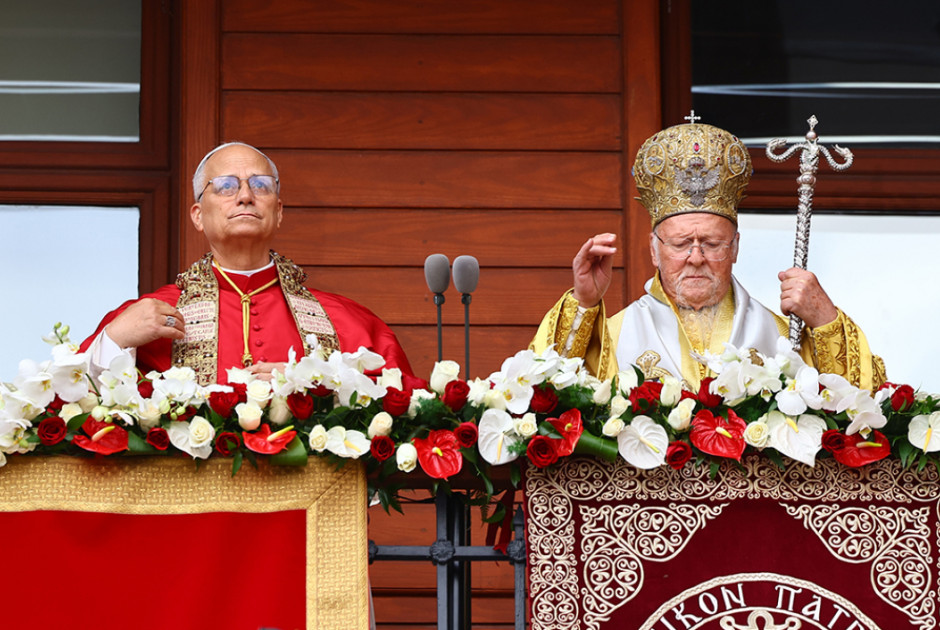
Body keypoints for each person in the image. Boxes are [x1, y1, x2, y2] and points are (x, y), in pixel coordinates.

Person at [531, 120, 885, 391]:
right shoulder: (612, 336)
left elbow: (862, 401)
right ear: (654, 250)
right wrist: (584, 302)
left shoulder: (782, 339)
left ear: (735, 248)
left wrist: (824, 319)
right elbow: (543, 393)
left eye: (712, 244)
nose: (696, 257)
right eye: (681, 243)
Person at [81, 141, 414, 384]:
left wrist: (319, 381)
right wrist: (114, 339)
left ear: (279, 211)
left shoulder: (348, 322)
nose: (244, 195)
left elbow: (406, 397)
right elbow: (73, 402)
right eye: (225, 186)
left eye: (260, 185)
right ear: (198, 216)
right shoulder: (152, 316)